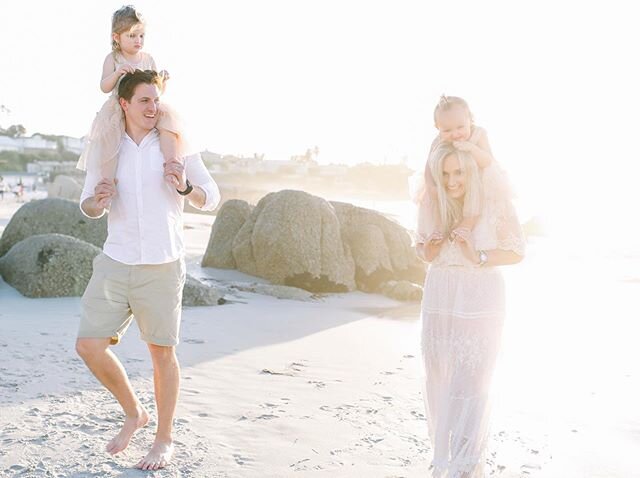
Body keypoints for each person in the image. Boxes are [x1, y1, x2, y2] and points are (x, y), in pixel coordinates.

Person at [75, 69, 220, 471]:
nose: (153, 107)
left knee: (162, 354)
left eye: (156, 99)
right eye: (144, 100)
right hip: (116, 259)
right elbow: (86, 203)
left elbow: (213, 197)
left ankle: (164, 439)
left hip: (162, 262)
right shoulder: (108, 147)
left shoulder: (176, 145)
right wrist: (97, 202)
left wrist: (186, 188)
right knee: (88, 345)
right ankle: (134, 412)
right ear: (124, 104)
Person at [415, 142, 525, 476]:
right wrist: (430, 247)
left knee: (471, 382)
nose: (451, 181)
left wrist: (476, 254)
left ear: (473, 171)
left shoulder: (494, 202)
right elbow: (422, 251)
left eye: (459, 171)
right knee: (440, 377)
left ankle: (466, 464)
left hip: (480, 297)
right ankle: (445, 457)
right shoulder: (432, 203)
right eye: (445, 173)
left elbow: (517, 250)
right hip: (440, 296)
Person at [76, 5, 187, 184]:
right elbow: (104, 86)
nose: (138, 40)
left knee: (168, 122)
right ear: (116, 37)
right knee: (109, 137)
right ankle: (107, 180)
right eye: (132, 35)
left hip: (144, 105)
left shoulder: (147, 58)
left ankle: (171, 162)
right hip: (119, 105)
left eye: (141, 36)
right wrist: (117, 73)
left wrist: (162, 82)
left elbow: (156, 90)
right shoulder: (113, 58)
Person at [412, 95, 508, 241]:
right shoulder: (437, 141)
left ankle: (468, 224)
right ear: (437, 128)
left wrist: (471, 149)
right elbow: (429, 167)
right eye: (447, 130)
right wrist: (431, 187)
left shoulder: (479, 134)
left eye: (460, 127)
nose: (455, 134)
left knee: (477, 190)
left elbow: (488, 161)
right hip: (451, 180)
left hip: (478, 178)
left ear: (470, 119)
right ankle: (439, 227)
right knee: (434, 198)